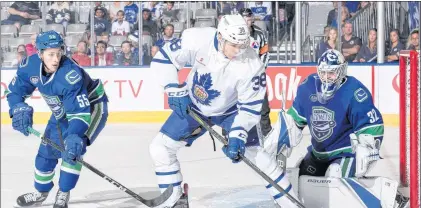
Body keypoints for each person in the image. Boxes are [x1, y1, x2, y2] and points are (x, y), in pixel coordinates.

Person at [149, 14, 299, 208]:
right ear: (220, 37)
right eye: (234, 45)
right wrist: (173, 89)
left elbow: (250, 107)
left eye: (242, 45)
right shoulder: (197, 38)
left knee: (257, 156)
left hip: (231, 111)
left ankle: (290, 204)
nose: (239, 50)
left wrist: (237, 134)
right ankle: (175, 200)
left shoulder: (252, 64)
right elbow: (164, 58)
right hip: (194, 105)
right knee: (160, 148)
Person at [264, 49, 409, 207]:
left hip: (345, 153)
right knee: (299, 178)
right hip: (318, 153)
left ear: (342, 71)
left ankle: (388, 197)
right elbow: (294, 121)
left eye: (332, 73)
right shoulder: (308, 87)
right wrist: (279, 139)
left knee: (336, 178)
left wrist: (367, 147)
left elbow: (371, 125)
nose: (327, 78)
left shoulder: (354, 91)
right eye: (324, 73)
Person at [6, 30, 109, 208]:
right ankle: (41, 192)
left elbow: (79, 114)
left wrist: (75, 135)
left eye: (59, 53)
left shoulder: (70, 75)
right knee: (46, 153)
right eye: (51, 54)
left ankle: (63, 192)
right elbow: (14, 91)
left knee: (72, 148)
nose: (55, 59)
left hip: (90, 108)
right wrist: (17, 107)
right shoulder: (29, 66)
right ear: (39, 54)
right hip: (62, 111)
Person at [239, 8, 271, 138]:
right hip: (239, 78)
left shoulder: (259, 34)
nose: (248, 19)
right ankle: (229, 133)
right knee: (234, 106)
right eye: (245, 17)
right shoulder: (236, 33)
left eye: (249, 17)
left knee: (263, 108)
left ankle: (267, 133)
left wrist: (259, 70)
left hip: (257, 77)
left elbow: (265, 53)